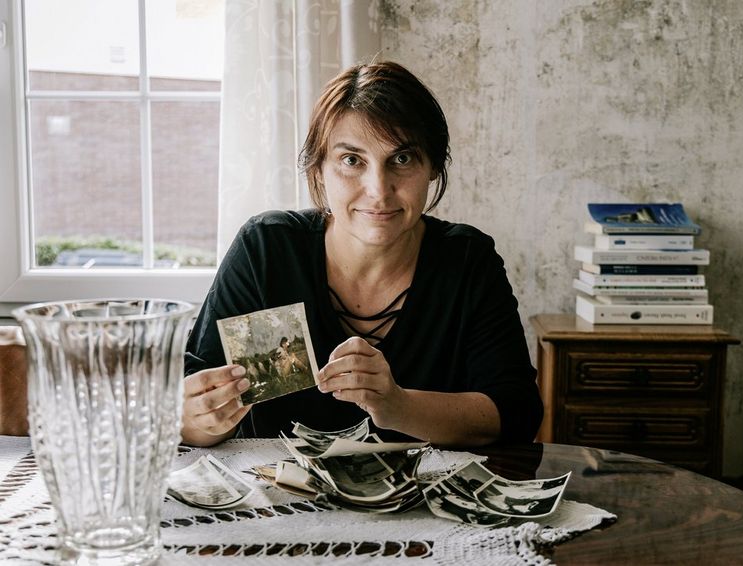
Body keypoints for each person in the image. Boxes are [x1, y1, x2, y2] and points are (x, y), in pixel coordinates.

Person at [181, 61, 544, 447]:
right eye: (352, 160)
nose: (378, 189)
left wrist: (398, 405)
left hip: (422, 503)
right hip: (287, 502)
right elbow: (194, 417)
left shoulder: (467, 260)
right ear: (319, 168)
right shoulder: (269, 251)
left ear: (433, 167)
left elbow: (515, 414)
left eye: (401, 159)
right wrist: (202, 418)